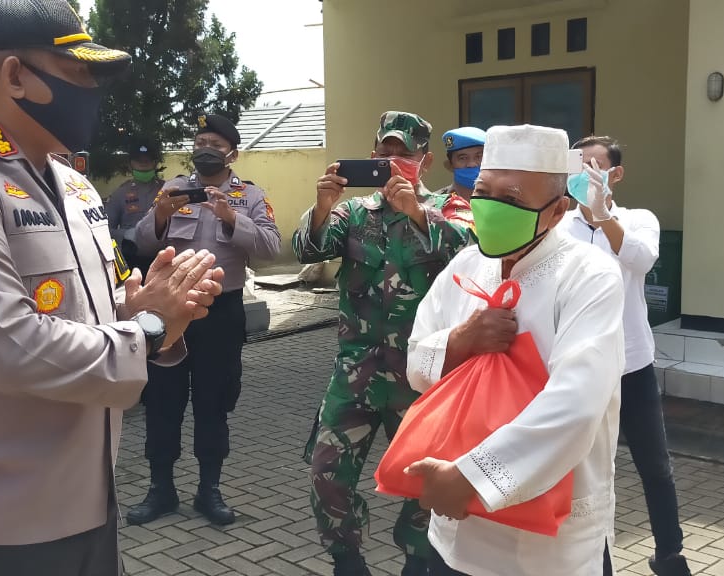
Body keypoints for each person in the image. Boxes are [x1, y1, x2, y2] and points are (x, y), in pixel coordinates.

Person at [0, 1, 224, 574]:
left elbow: (103, 313)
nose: (93, 90)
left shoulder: (74, 187)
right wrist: (148, 331)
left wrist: (150, 309)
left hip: (86, 501)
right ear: (15, 75)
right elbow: (8, 347)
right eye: (78, 72)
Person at [404, 124, 625, 576]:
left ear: (558, 210)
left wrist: (471, 477)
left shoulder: (589, 275)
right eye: (483, 193)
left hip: (549, 548)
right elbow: (415, 362)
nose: (490, 208)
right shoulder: (466, 265)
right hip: (457, 529)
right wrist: (461, 341)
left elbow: (576, 405)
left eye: (511, 199)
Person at [294, 111, 475, 576]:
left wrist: (417, 212)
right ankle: (346, 557)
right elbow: (309, 249)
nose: (393, 161)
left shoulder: (449, 206)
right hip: (356, 371)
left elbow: (472, 250)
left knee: (426, 477)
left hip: (421, 375)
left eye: (404, 154)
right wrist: (322, 206)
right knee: (326, 472)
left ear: (425, 161)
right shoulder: (355, 212)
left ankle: (419, 556)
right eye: (384, 152)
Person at [128, 112, 282, 526]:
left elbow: (271, 248)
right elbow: (140, 241)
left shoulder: (250, 195)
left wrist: (231, 217)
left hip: (221, 313)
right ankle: (161, 489)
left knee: (213, 401)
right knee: (162, 399)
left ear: (232, 153)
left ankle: (209, 490)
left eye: (215, 145)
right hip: (171, 313)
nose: (206, 150)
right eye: (200, 144)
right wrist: (161, 215)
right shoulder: (174, 188)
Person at [556, 136, 691, 576]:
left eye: (595, 167)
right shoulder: (558, 226)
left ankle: (669, 553)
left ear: (616, 174)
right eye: (578, 167)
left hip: (631, 364)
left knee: (655, 463)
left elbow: (641, 259)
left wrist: (603, 216)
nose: (585, 176)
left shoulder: (639, 219)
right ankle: (596, 559)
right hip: (578, 366)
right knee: (586, 468)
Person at [108, 141, 164, 274]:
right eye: (138, 160)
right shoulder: (120, 193)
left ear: (155, 163)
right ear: (131, 164)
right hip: (131, 257)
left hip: (162, 256)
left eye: (147, 160)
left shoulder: (166, 189)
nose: (143, 164)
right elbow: (106, 229)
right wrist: (127, 235)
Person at [435, 127, 485, 230]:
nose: (471, 164)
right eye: (463, 158)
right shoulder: (435, 204)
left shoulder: (502, 201)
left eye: (478, 157)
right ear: (450, 165)